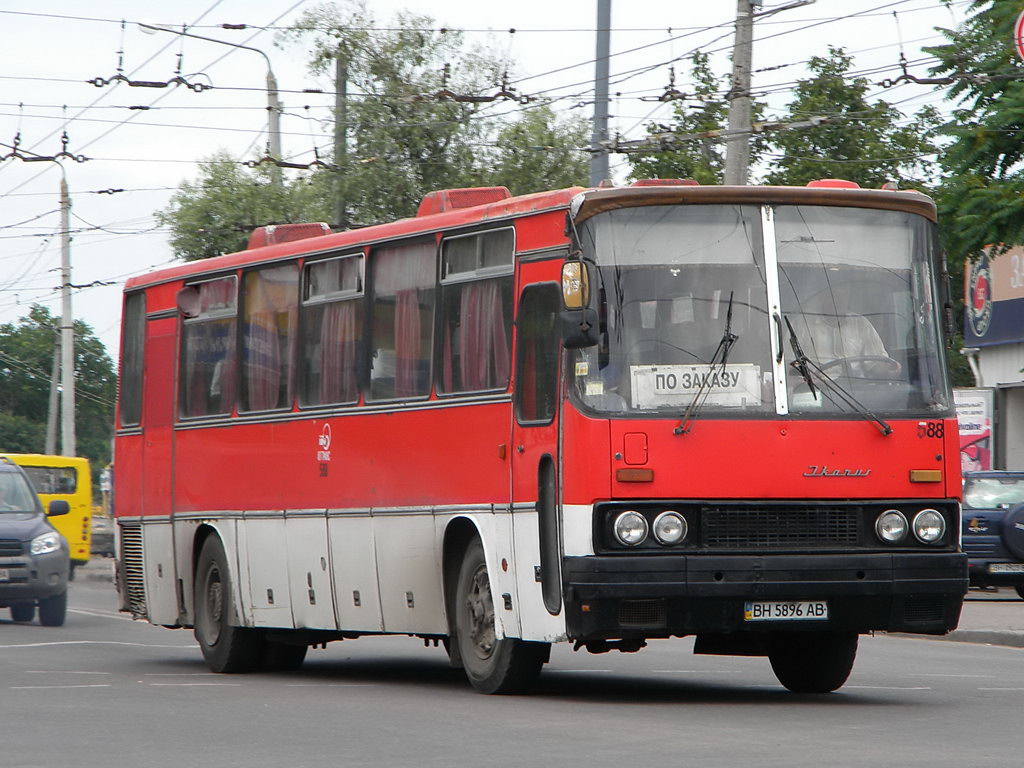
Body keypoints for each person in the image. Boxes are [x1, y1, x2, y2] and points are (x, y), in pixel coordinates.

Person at [791, 283, 900, 379]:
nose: (839, 300)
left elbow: (875, 363)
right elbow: (789, 365)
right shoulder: (802, 324)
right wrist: (806, 377)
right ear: (822, 296)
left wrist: (889, 368)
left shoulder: (860, 323)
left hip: (855, 391)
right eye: (834, 295)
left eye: (844, 294)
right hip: (817, 390)